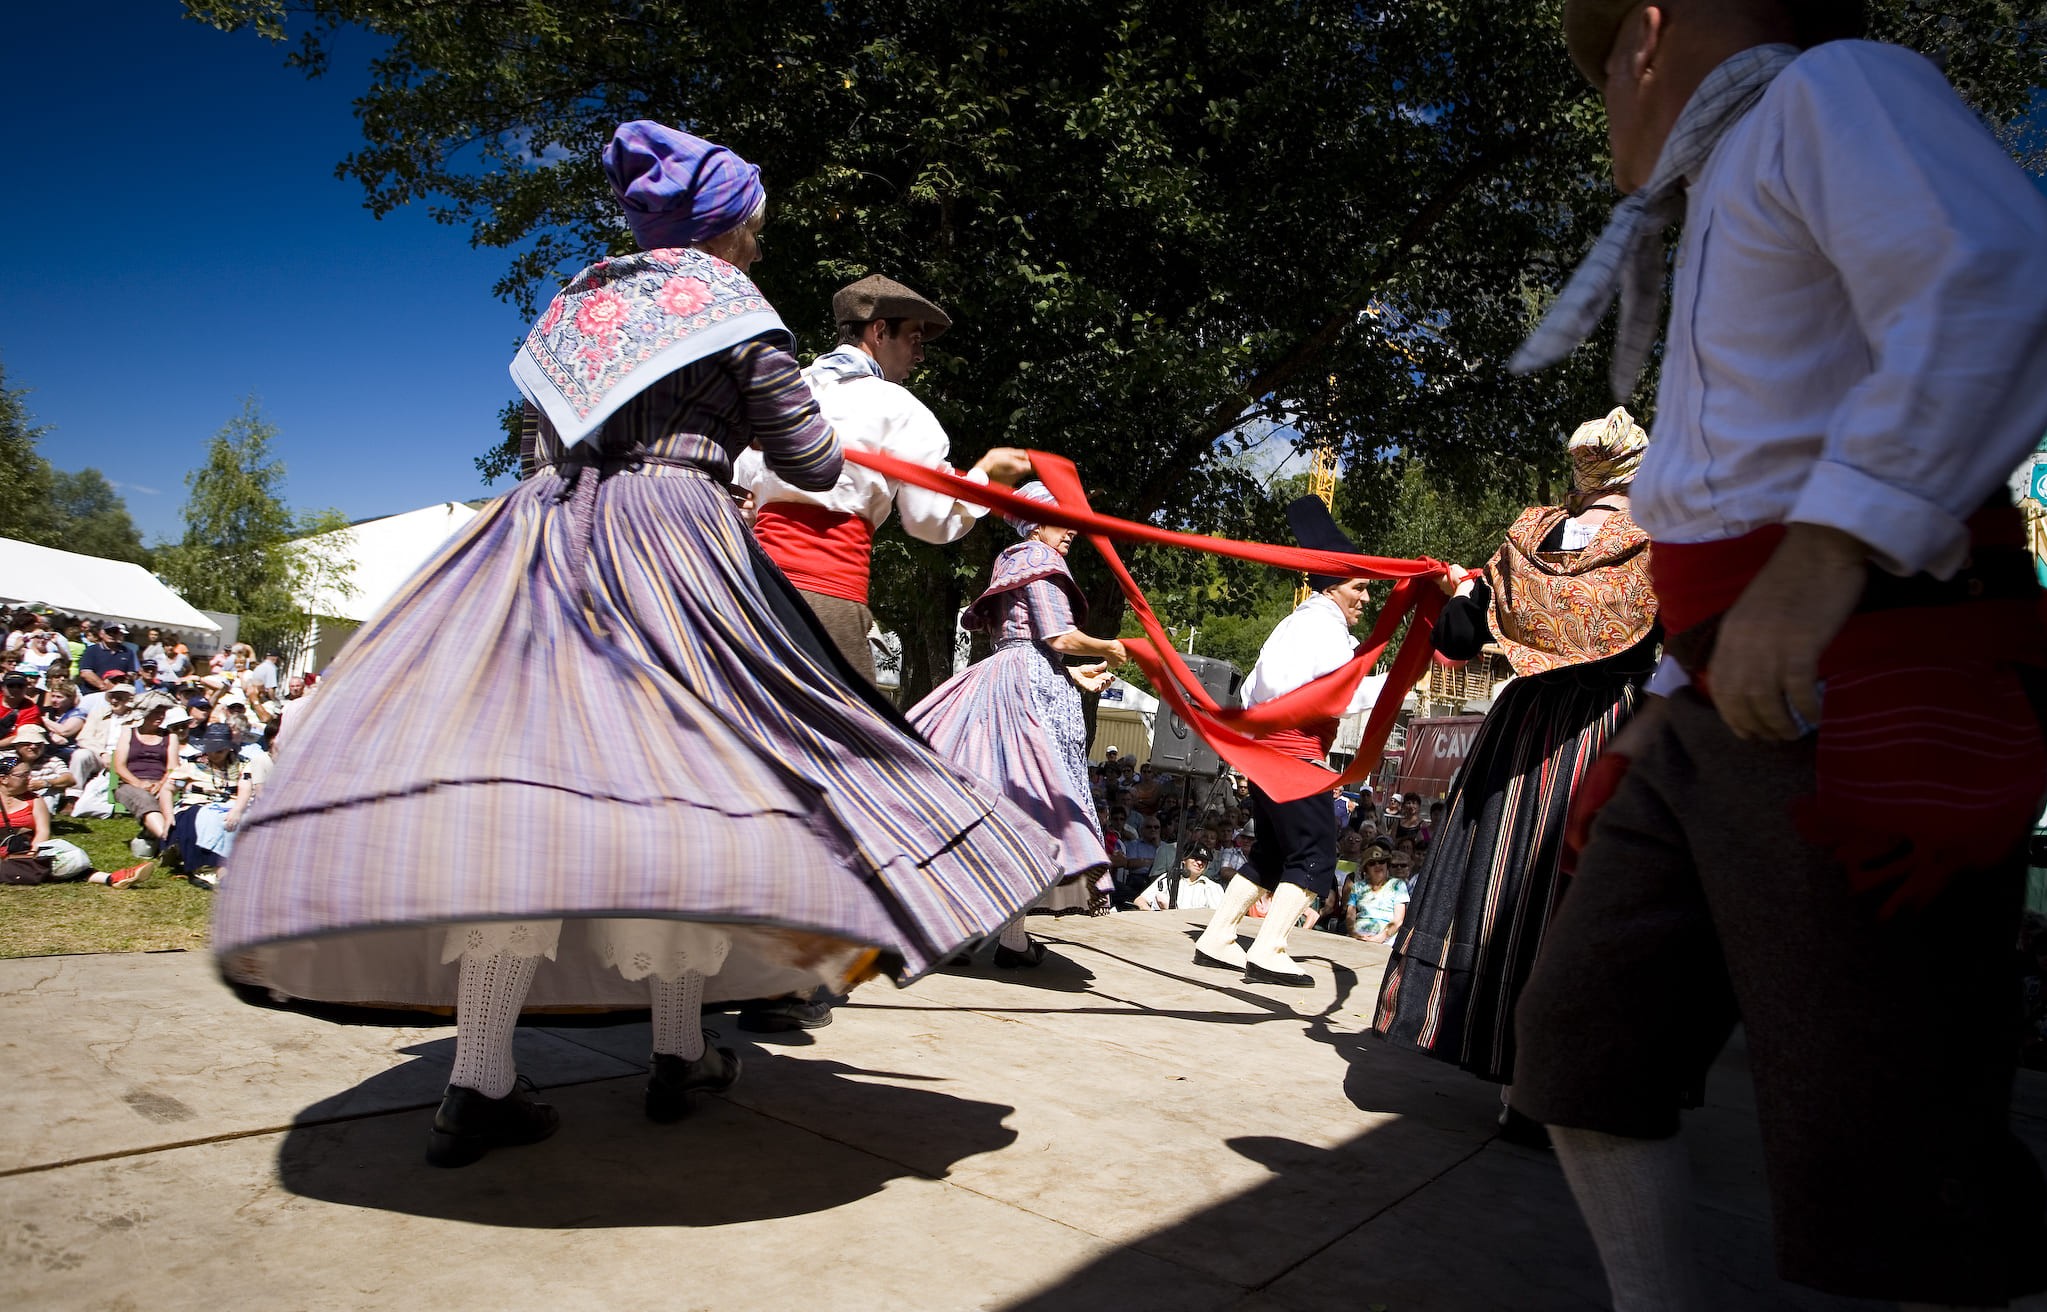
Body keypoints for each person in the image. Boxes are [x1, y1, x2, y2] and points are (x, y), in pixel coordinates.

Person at [213, 121, 1081, 1170]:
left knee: (529, 792)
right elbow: (807, 459)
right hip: (676, 548)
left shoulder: (579, 300)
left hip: (542, 542)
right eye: (754, 229)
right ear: (725, 226)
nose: (760, 248)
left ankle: (481, 1074)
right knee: (690, 790)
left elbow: (542, 437)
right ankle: (676, 1048)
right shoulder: (731, 307)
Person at [1505, 2, 2047, 1305]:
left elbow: (1997, 277)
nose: (1605, 121)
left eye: (1598, 80)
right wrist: (1669, 693)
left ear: (1644, 33)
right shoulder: (1740, 173)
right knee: (1580, 1044)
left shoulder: (1830, 89)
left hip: (1848, 675)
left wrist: (1824, 554)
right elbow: (1719, 498)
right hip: (1715, 687)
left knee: (1884, 1142)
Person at [1373, 408, 1659, 1110]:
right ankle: (1539, 1089)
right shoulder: (1662, 546)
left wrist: (1467, 589)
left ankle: (1492, 1058)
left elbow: (1459, 637)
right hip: (1606, 727)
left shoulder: (1522, 539)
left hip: (1521, 728)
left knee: (1503, 888)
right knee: (1572, 893)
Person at [735, 276, 1032, 683]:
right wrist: (985, 477)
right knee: (849, 739)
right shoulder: (897, 407)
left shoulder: (785, 391)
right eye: (914, 338)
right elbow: (931, 520)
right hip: (826, 599)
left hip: (748, 591)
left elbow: (738, 491)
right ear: (878, 331)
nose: (920, 354)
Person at [908, 482, 1122, 965]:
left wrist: (1074, 674)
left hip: (1004, 676)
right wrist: (1108, 647)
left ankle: (964, 927)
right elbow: (1058, 635)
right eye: (1061, 519)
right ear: (1036, 521)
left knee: (999, 799)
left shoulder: (1012, 561)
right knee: (1035, 803)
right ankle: (1006, 937)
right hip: (1030, 689)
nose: (1071, 530)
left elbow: (1028, 640)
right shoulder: (1043, 562)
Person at [1192, 497, 1387, 986]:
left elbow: (1260, 688)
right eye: (1360, 588)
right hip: (1294, 755)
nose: (1366, 599)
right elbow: (1334, 693)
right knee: (1316, 852)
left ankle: (1218, 934)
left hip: (1269, 755)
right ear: (1334, 586)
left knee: (1274, 851)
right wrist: (1397, 681)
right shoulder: (1322, 628)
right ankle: (1270, 947)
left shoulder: (1299, 623)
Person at [1346, 849, 1409, 944]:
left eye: (1381, 862)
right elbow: (1350, 916)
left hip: (1388, 937)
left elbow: (1398, 920)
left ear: (1387, 865)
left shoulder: (1398, 885)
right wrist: (1354, 934)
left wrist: (1381, 937)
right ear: (1365, 870)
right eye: (1372, 863)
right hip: (1359, 935)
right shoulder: (1358, 886)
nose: (1378, 866)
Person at [76, 623, 138, 693]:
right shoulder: (91, 650)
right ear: (101, 634)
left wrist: (120, 689)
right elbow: (86, 673)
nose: (111, 634)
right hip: (92, 693)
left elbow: (131, 674)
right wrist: (104, 687)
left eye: (115, 632)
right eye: (108, 632)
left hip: (118, 695)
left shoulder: (128, 652)